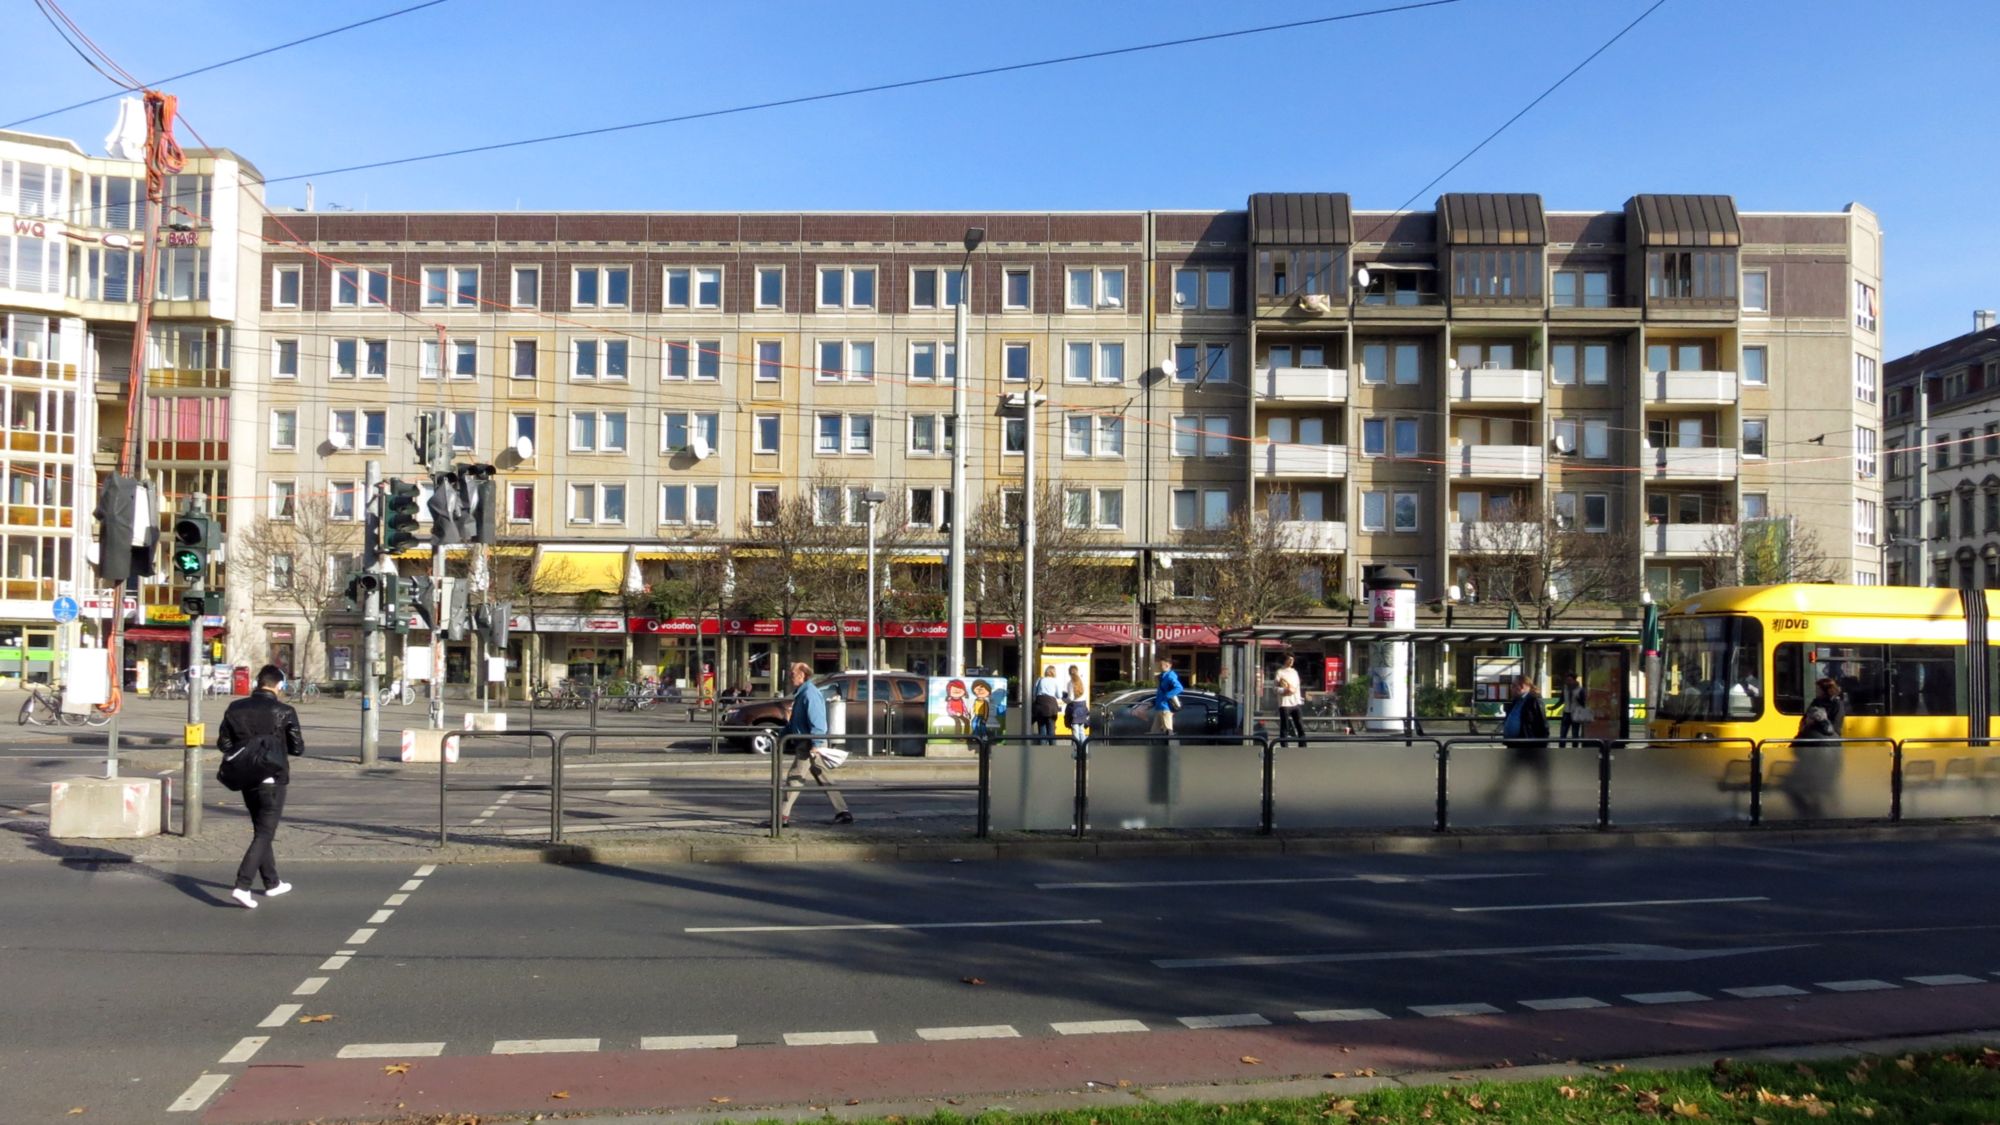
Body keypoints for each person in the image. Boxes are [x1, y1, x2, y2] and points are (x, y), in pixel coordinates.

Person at [218, 664, 306, 909]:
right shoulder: (284, 711)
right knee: (265, 832)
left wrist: (248, 748)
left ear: (258, 683)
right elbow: (298, 748)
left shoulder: (235, 707)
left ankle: (272, 883)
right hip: (272, 778)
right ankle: (242, 886)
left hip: (246, 777)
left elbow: (224, 743)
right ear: (278, 686)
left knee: (261, 830)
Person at [777, 662, 852, 826]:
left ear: (802, 675)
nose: (790, 678)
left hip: (808, 742)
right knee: (822, 776)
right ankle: (843, 811)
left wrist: (816, 743)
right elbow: (795, 722)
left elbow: (817, 721)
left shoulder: (809, 694)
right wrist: (781, 736)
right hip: (808, 740)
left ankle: (782, 817)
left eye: (792, 674)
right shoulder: (803, 693)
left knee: (794, 777)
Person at [1487, 674, 1551, 809]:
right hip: (1515, 743)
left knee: (1536, 773)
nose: (1513, 688)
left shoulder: (1534, 701)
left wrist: (1541, 745)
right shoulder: (1517, 700)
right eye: (1513, 686)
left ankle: (1543, 800)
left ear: (1524, 686)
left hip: (1528, 743)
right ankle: (1500, 797)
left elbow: (1543, 726)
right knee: (1510, 770)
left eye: (1516, 686)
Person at [1785, 677, 1845, 819]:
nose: (1816, 691)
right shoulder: (1817, 703)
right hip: (1815, 752)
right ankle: (1813, 812)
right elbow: (1804, 721)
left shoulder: (1836, 705)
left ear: (1826, 690)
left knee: (1815, 787)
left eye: (1818, 689)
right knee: (1800, 787)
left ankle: (1818, 814)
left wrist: (1817, 723)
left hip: (1823, 753)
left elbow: (1835, 728)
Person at [1274, 654, 1306, 749]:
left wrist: (1299, 699)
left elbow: (1297, 687)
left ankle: (1303, 746)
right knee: (1285, 727)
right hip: (1285, 703)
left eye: (1292, 660)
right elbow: (1275, 688)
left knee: (1300, 725)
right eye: (1289, 659)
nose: (1291, 662)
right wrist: (1284, 690)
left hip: (1295, 702)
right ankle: (1284, 747)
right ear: (1285, 660)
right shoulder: (1279, 672)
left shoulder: (1294, 672)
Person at [1061, 665, 1090, 756]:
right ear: (1077, 671)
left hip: (1075, 707)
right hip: (1083, 706)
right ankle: (1085, 751)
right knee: (1082, 730)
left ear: (1069, 673)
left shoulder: (1070, 683)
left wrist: (1064, 699)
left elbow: (1071, 698)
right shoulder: (1082, 681)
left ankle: (1076, 752)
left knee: (1075, 731)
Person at [1151, 656, 1184, 736]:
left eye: (1161, 665)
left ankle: (1169, 748)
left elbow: (1179, 688)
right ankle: (1156, 747)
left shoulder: (1170, 676)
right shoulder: (1163, 676)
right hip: (1160, 707)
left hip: (1165, 708)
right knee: (1154, 732)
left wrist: (1166, 696)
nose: (1159, 667)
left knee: (1168, 732)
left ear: (1168, 665)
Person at [1032, 665, 1062, 745]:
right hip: (1051, 707)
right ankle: (1052, 751)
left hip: (1040, 706)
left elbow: (1034, 693)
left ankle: (1043, 752)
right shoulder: (1055, 681)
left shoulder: (1039, 680)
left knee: (1042, 731)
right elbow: (1059, 695)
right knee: (1051, 730)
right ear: (1053, 672)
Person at [1558, 673, 1590, 748]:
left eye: (1570, 680)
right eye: (1567, 680)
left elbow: (1584, 702)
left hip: (1576, 713)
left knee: (1575, 733)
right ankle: (1561, 748)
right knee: (1563, 733)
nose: (1568, 682)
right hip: (1566, 713)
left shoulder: (1580, 689)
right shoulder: (1565, 689)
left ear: (1574, 680)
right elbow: (1561, 700)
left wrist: (1579, 700)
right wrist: (1553, 708)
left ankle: (1575, 748)